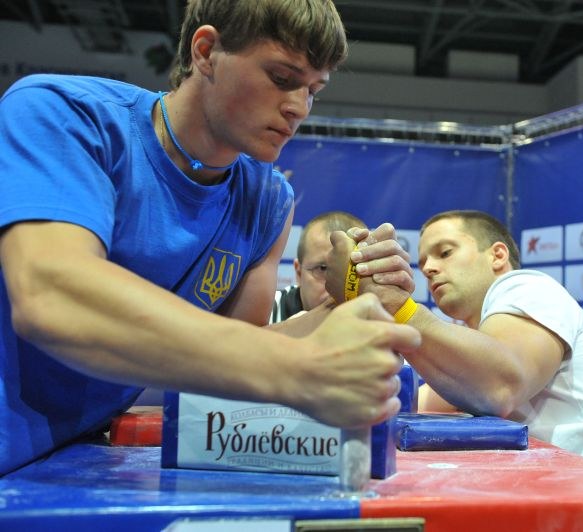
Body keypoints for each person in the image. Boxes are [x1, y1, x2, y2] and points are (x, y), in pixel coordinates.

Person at [0, 0, 420, 476]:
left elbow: (233, 353)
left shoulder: (268, 200)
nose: (298, 107)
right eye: (282, 78)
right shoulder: (63, 114)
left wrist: (346, 306)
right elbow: (52, 297)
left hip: (62, 463)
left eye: (313, 90)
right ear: (205, 52)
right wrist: (296, 367)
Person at [327, 210, 583, 493]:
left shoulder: (527, 287)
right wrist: (356, 295)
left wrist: (394, 305)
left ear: (497, 255)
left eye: (445, 252)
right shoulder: (473, 342)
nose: (430, 268)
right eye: (423, 262)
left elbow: (500, 385)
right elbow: (411, 403)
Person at [270, 211, 366, 324]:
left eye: (351, 271)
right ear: (299, 273)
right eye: (322, 268)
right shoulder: (265, 313)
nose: (336, 287)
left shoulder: (379, 312)